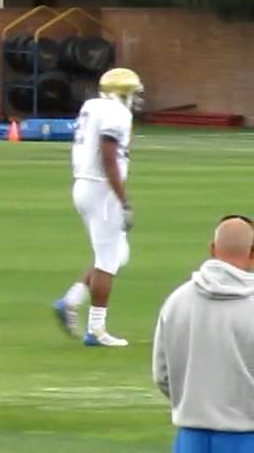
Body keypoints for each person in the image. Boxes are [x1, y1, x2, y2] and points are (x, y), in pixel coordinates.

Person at [52, 67, 144, 347]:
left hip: (84, 185)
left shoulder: (92, 106)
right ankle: (97, 329)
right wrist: (123, 199)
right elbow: (108, 156)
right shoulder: (117, 113)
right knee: (107, 259)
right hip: (101, 189)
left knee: (118, 255)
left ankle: (71, 300)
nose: (136, 99)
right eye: (133, 93)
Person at [153, 215, 254, 453]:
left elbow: (162, 374)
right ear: (252, 253)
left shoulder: (177, 301)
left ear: (212, 248)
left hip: (190, 438)